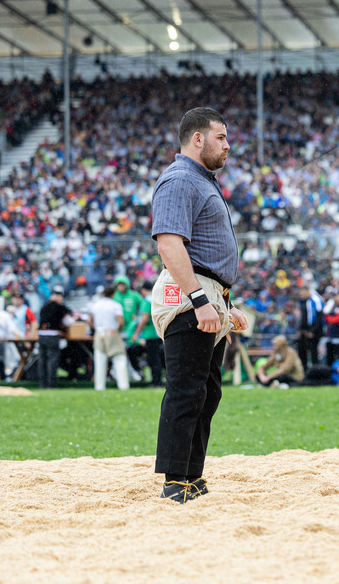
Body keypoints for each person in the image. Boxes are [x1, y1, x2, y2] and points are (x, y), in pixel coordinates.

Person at [149, 107, 248, 505]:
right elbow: (169, 244)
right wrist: (199, 300)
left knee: (206, 390)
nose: (227, 145)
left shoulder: (199, 181)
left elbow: (207, 255)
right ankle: (175, 481)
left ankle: (191, 475)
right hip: (190, 296)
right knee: (187, 389)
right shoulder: (179, 180)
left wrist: (226, 302)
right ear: (197, 139)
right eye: (221, 137)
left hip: (209, 295)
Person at [89, 285, 129, 391]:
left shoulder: (96, 305)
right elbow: (120, 322)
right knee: (119, 358)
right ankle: (123, 385)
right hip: (112, 331)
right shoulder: (115, 305)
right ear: (113, 294)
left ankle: (99, 386)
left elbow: (89, 320)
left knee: (100, 360)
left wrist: (96, 328)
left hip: (99, 332)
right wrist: (117, 331)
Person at [37, 285, 74, 389]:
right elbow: (69, 322)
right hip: (53, 335)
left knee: (42, 360)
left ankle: (42, 384)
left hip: (41, 335)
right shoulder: (60, 307)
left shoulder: (44, 307)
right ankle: (51, 384)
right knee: (52, 361)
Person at [131, 280, 165, 387]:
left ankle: (156, 382)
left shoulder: (146, 301)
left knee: (153, 360)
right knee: (159, 359)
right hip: (159, 333)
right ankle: (159, 380)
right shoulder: (157, 299)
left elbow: (144, 319)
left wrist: (136, 333)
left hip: (150, 334)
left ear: (142, 290)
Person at [296, 285, 324, 370]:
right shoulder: (303, 301)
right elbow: (303, 317)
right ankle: (304, 370)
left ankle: (315, 370)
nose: (302, 296)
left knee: (313, 351)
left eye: (303, 293)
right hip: (305, 329)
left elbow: (320, 317)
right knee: (301, 349)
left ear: (307, 291)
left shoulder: (316, 299)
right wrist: (300, 330)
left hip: (315, 329)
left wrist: (313, 331)